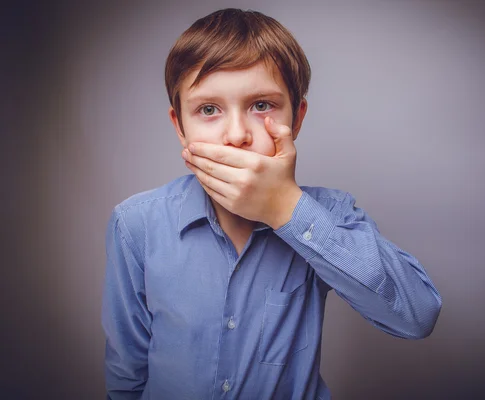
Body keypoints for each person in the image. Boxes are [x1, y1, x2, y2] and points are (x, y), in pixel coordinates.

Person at [101, 7, 442, 400]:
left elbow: (417, 314)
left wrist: (285, 207)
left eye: (261, 105)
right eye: (208, 110)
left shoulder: (328, 215)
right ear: (180, 126)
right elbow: (127, 372)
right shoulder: (136, 224)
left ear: (296, 119)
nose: (236, 135)